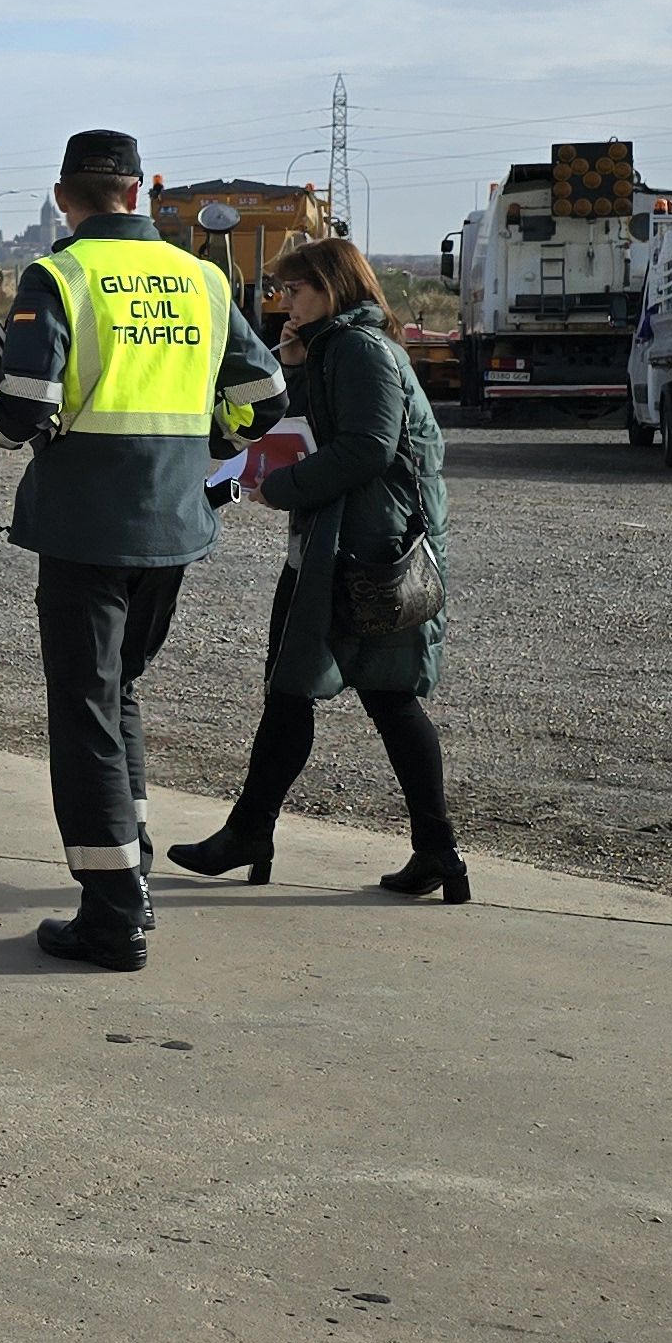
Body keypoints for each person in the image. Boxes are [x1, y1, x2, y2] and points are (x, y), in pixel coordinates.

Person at [0, 129, 282, 970]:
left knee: (84, 709)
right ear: (140, 191)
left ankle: (113, 910)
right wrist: (211, 441)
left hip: (85, 526)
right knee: (120, 696)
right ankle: (132, 867)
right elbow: (265, 393)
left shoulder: (60, 274)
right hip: (173, 527)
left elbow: (21, 409)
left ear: (65, 195)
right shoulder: (203, 279)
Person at [169, 235, 465, 902]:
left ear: (330, 288)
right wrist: (294, 359)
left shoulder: (360, 349)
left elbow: (366, 446)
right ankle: (427, 853)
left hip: (364, 550)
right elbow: (306, 422)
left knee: (353, 693)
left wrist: (282, 487)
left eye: (295, 290)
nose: (285, 302)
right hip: (339, 544)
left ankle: (264, 834)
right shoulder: (336, 346)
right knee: (311, 689)